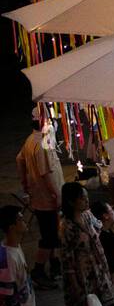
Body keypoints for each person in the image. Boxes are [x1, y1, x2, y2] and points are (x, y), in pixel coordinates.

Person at [59, 182, 114, 306]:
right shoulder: (66, 226)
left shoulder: (87, 215)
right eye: (82, 198)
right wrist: (74, 282)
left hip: (97, 269)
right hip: (82, 275)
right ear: (71, 201)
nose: (86, 200)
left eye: (86, 196)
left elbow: (99, 229)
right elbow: (66, 257)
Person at [16, 115, 62, 287]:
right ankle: (39, 270)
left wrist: (25, 183)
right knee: (49, 237)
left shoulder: (31, 139)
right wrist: (57, 194)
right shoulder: (43, 143)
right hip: (47, 198)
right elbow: (46, 172)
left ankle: (54, 262)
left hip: (38, 196)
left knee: (50, 231)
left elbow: (18, 159)